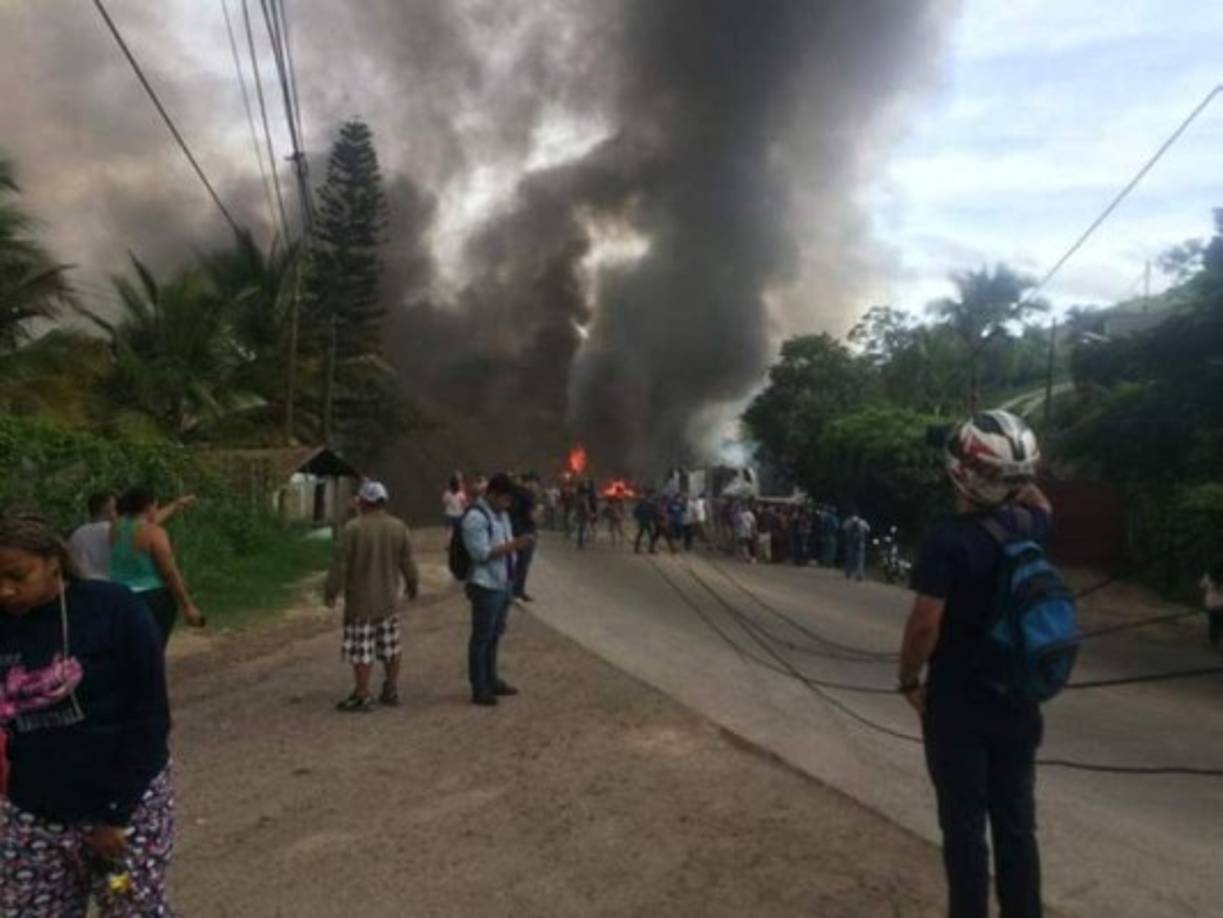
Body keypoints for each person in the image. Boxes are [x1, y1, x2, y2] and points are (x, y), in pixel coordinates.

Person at [898, 410, 1051, 918]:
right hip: (1019, 701)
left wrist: (908, 680)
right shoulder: (1033, 523)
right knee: (1016, 826)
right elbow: (1041, 503)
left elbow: (924, 625)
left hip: (959, 706)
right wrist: (1019, 488)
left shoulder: (948, 541)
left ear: (961, 470)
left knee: (964, 831)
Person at [0, 511, 175, 915]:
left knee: (129, 905)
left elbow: (149, 716)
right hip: (36, 811)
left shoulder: (113, 610)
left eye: (17, 575)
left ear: (52, 561)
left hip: (124, 803)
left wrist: (117, 814)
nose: (5, 591)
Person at [325, 481, 419, 712]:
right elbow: (407, 561)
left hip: (360, 602)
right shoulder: (398, 527)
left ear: (363, 501)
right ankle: (391, 689)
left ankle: (362, 693)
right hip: (388, 600)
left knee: (362, 649)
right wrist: (412, 583)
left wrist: (331, 591)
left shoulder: (353, 528)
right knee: (390, 647)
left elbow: (340, 565)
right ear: (383, 501)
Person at [462, 473, 534, 707]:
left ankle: (492, 679)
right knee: (481, 637)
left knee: (495, 635)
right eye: (504, 500)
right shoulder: (475, 518)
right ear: (492, 494)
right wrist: (515, 545)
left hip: (503, 583)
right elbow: (480, 553)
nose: (507, 505)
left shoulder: (501, 516)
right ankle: (479, 687)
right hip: (485, 584)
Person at [109, 487, 205, 648]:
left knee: (129, 647)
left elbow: (146, 521)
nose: (156, 509)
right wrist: (187, 605)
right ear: (148, 507)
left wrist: (175, 505)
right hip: (151, 597)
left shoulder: (116, 527)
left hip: (119, 595)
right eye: (155, 505)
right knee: (152, 648)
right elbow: (169, 572)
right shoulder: (155, 533)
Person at [68, 491, 117, 581]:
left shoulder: (77, 534)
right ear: (106, 509)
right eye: (114, 508)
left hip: (84, 584)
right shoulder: (114, 531)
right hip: (111, 583)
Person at [510, 474, 540, 602]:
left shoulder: (514, 492)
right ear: (531, 482)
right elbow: (532, 516)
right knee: (523, 563)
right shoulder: (529, 495)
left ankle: (511, 590)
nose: (537, 487)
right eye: (537, 484)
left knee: (514, 562)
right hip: (526, 532)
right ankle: (518, 592)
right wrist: (539, 514)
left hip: (513, 530)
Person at [842, 510, 871, 581]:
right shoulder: (863, 522)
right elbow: (868, 530)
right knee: (860, 560)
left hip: (851, 543)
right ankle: (859, 575)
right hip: (860, 543)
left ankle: (848, 573)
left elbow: (844, 528)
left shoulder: (848, 522)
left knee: (849, 558)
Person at [1201, 564, 1223, 648]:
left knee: (1212, 623)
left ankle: (1213, 642)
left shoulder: (1208, 576)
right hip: (1221, 604)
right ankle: (1218, 642)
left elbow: (1202, 587)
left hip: (1210, 603)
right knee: (1219, 624)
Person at [442, 474, 467, 543]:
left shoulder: (448, 493)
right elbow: (464, 504)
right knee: (451, 530)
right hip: (454, 515)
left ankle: (452, 543)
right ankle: (451, 543)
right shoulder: (459, 494)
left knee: (453, 530)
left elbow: (444, 502)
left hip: (455, 514)